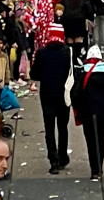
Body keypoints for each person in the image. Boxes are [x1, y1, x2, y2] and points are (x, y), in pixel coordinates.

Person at [69, 45, 104, 182]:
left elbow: (74, 93)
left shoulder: (82, 72)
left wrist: (80, 107)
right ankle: (99, 167)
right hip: (103, 112)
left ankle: (94, 169)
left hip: (87, 112)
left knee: (90, 141)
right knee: (101, 139)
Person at [30, 23, 72, 174]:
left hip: (47, 94)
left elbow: (34, 74)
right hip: (64, 94)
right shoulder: (68, 52)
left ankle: (53, 160)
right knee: (63, 126)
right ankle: (62, 157)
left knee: (49, 127)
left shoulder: (42, 53)